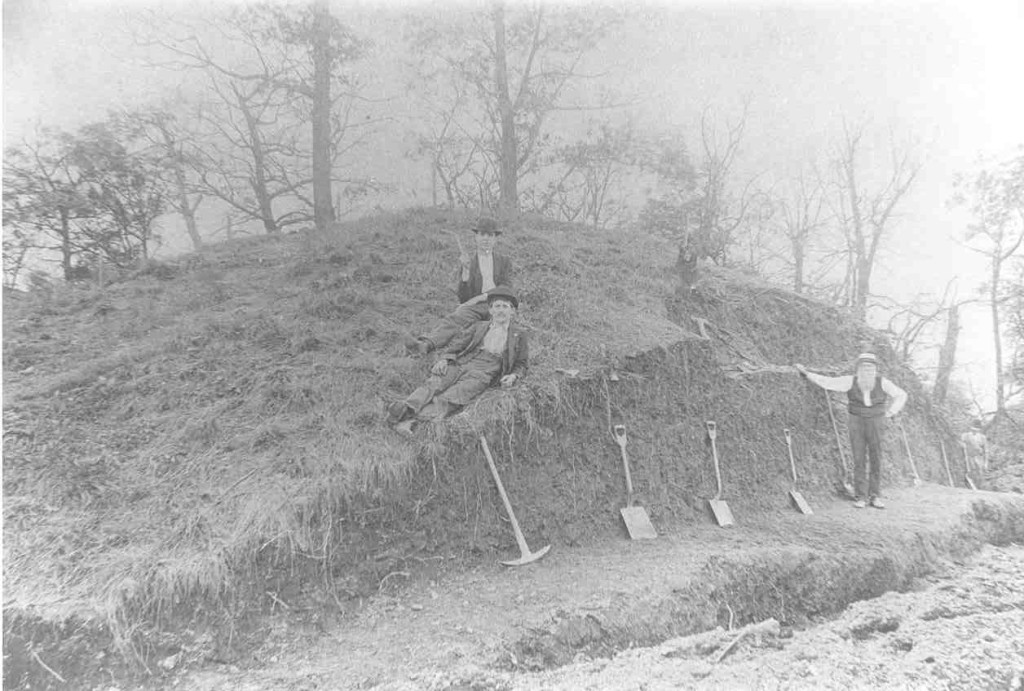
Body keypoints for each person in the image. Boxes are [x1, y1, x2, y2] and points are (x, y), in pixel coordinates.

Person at [388, 286, 527, 434]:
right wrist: (445, 359)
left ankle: (408, 420)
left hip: (483, 374)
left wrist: (513, 375)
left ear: (512, 311)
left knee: (451, 397)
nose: (501, 311)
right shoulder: (479, 326)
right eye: (497, 306)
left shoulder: (519, 335)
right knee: (434, 383)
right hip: (462, 363)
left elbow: (522, 363)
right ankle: (403, 410)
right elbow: (457, 345)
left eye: (505, 307)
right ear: (491, 310)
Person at [795, 353, 908, 509]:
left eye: (871, 368)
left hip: (876, 422)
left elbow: (901, 394)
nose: (867, 371)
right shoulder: (850, 381)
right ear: (859, 369)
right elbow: (828, 382)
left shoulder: (883, 383)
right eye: (864, 367)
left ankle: (875, 496)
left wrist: (891, 412)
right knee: (858, 458)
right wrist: (807, 374)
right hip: (856, 421)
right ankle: (861, 496)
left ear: (875, 370)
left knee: (876, 458)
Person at [405, 216, 513, 355]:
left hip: (499, 304)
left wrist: (482, 297)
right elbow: (464, 299)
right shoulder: (469, 262)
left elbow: (506, 288)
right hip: (476, 308)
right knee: (456, 318)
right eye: (482, 234)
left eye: (490, 235)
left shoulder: (504, 261)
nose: (486, 239)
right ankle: (425, 345)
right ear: (476, 237)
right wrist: (466, 271)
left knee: (482, 331)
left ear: (495, 239)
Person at [960, 418, 988, 489]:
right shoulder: (965, 436)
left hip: (979, 458)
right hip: (969, 457)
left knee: (980, 473)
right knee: (970, 472)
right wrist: (963, 446)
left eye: (976, 429)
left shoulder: (982, 437)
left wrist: (986, 463)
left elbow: (986, 451)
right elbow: (962, 445)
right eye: (973, 429)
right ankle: (970, 487)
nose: (975, 431)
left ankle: (980, 488)